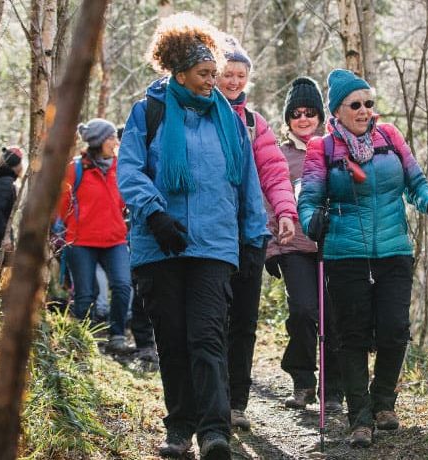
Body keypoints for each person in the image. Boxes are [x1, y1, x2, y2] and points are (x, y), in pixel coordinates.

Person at [116, 12, 269, 460]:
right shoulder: (149, 111)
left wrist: (252, 237)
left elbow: (246, 183)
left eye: (214, 73)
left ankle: (214, 431)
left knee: (208, 337)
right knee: (173, 339)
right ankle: (179, 427)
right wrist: (155, 215)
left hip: (214, 246)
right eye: (204, 74)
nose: (211, 82)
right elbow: (129, 170)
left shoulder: (229, 120)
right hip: (158, 245)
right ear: (178, 71)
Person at [297, 69, 428, 448]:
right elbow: (309, 198)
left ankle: (384, 401)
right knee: (351, 335)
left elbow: (416, 184)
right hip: (344, 253)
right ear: (338, 110)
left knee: (394, 328)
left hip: (394, 250)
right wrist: (310, 221)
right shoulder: (323, 148)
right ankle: (359, 417)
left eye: (369, 103)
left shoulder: (391, 137)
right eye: (356, 104)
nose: (365, 110)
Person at [215, 38, 297, 430]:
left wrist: (284, 211)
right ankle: (211, 400)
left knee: (244, 321)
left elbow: (275, 173)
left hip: (250, 235)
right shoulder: (200, 116)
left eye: (240, 75)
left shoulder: (253, 122)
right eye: (227, 74)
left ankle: (236, 404)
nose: (233, 81)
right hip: (209, 236)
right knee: (212, 321)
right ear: (213, 75)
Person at [264, 76, 345, 412]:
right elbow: (268, 199)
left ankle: (333, 390)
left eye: (309, 112)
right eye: (296, 113)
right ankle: (302, 381)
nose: (303, 118)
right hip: (293, 244)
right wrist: (270, 247)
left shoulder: (335, 149)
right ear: (288, 119)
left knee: (334, 317)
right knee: (302, 311)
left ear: (319, 115)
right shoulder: (278, 155)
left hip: (334, 247)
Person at [56, 119, 133, 354]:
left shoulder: (121, 167)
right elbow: (62, 205)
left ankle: (117, 335)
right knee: (85, 293)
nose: (115, 142)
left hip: (115, 240)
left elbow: (126, 201)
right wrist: (73, 227)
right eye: (111, 138)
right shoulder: (75, 169)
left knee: (122, 286)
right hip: (81, 242)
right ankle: (81, 340)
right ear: (99, 141)